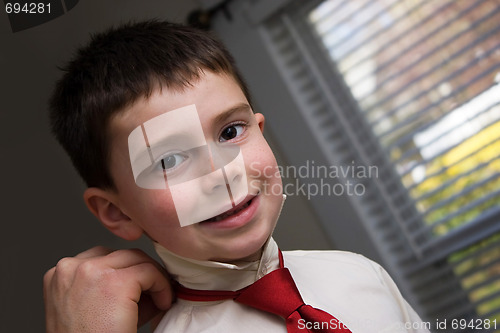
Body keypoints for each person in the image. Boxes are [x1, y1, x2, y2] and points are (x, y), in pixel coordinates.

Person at [43, 20, 430, 333]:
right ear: (117, 212)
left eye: (230, 132)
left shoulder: (363, 274)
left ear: (260, 130)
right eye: (168, 160)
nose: (220, 174)